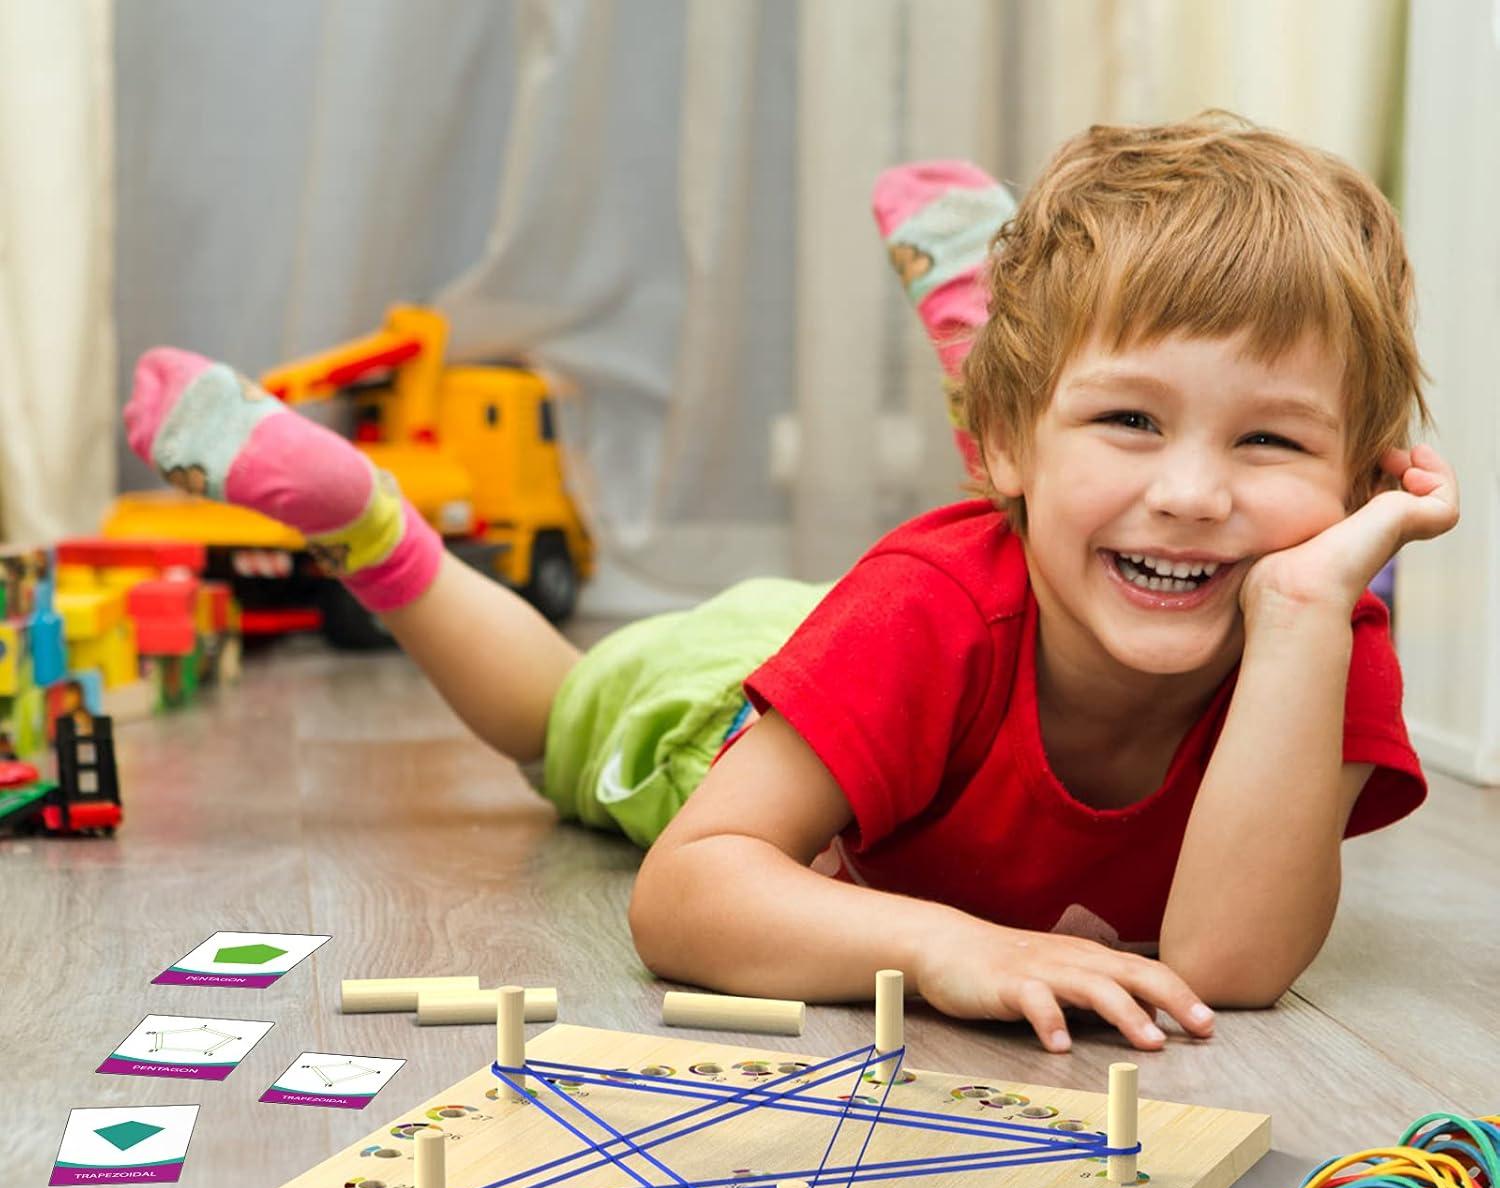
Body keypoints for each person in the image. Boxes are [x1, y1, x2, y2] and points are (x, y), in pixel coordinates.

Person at [123, 111, 1459, 1053]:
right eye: (1131, 422)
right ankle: (371, 526)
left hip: (937, 629)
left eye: (1270, 440)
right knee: (560, 714)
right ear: (1005, 452)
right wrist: (950, 947)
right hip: (751, 697)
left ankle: (1009, 360)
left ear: (1361, 489)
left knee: (1053, 524)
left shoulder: (1314, 622)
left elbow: (1226, 970)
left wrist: (1296, 617)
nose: (1196, 492)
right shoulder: (930, 606)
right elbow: (685, 894)